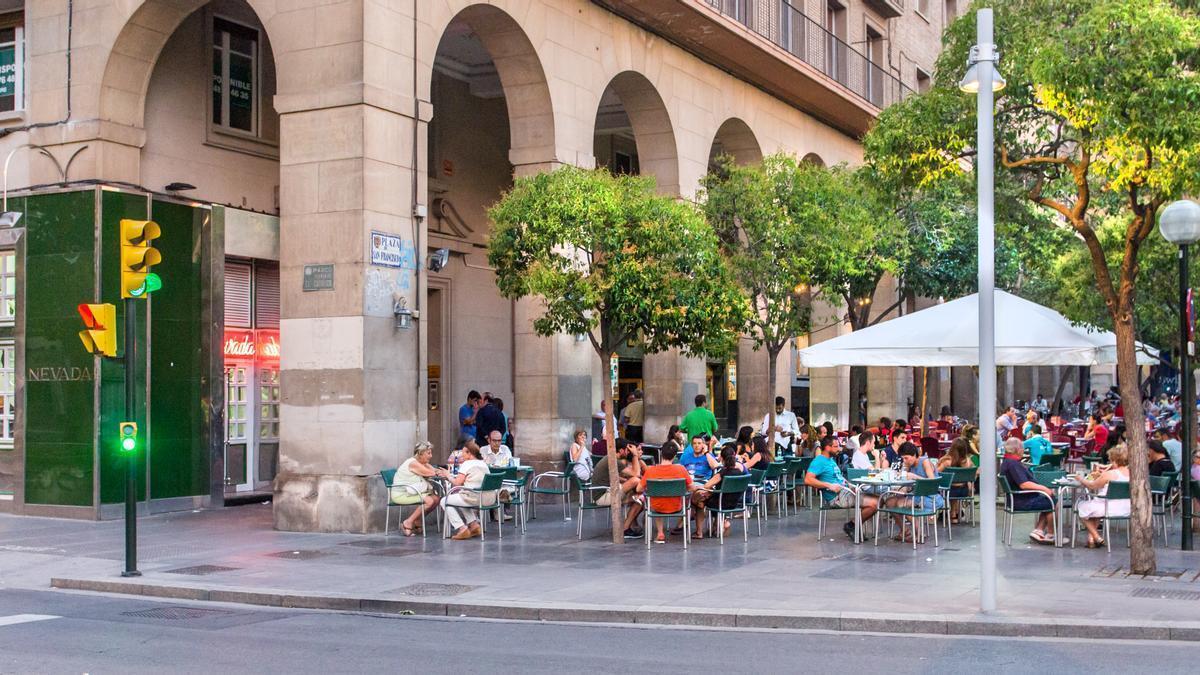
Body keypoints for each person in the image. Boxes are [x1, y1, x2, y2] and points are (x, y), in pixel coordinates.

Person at [804, 435, 879, 539]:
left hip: (845, 491)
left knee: (879, 500)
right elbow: (807, 479)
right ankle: (852, 525)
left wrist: (849, 485)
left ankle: (853, 525)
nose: (838, 449)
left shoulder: (831, 460)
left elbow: (838, 478)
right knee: (875, 503)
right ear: (827, 447)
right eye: (835, 446)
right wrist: (829, 485)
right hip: (837, 497)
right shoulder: (819, 461)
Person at [999, 437, 1056, 544]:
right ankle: (1050, 534)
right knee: (1053, 501)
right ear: (1017, 449)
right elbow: (1024, 484)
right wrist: (1044, 488)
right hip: (1021, 501)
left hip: (1014, 499)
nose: (1024, 450)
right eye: (1022, 448)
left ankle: (1039, 530)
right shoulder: (1013, 464)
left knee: (1048, 500)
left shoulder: (1007, 461)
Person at [1073, 444, 1131, 548]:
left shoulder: (1110, 474)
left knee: (1080, 507)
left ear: (1114, 459)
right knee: (1095, 509)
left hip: (1108, 507)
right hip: (1126, 508)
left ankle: (1096, 537)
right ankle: (1091, 540)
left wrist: (1080, 479)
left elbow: (1092, 485)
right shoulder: (1132, 473)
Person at [883, 443, 944, 540]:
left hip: (930, 496)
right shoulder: (909, 465)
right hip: (916, 495)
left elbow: (932, 483)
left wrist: (915, 477)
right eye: (903, 458)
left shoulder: (925, 462)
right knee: (889, 502)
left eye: (906, 458)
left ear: (914, 455)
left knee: (901, 504)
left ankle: (919, 533)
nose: (904, 460)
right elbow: (907, 484)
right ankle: (905, 531)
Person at [638, 441, 694, 544]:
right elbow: (692, 488)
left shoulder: (651, 470)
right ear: (675, 455)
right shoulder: (681, 469)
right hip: (677, 507)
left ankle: (660, 533)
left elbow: (638, 489)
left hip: (657, 507)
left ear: (661, 454)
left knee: (655, 499)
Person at [390, 441, 448, 536]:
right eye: (428, 453)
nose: (431, 456)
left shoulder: (422, 462)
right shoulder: (413, 463)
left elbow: (434, 471)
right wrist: (444, 473)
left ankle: (417, 520)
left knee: (436, 499)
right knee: (429, 501)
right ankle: (408, 522)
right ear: (420, 453)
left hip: (411, 492)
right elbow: (430, 473)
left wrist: (438, 471)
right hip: (401, 494)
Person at [592, 438, 646, 538]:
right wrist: (634, 455)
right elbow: (636, 475)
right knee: (635, 481)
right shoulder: (613, 460)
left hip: (607, 491)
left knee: (639, 500)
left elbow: (620, 477)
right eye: (627, 449)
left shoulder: (612, 459)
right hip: (602, 496)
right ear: (621, 451)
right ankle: (625, 529)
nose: (628, 451)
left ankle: (626, 528)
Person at [695, 445, 749, 539]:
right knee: (716, 498)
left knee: (700, 501)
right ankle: (719, 524)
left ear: (722, 459)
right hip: (735, 503)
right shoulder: (740, 472)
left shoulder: (722, 473)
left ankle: (699, 532)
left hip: (720, 503)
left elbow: (707, 486)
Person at [443, 442, 492, 540]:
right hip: (488, 498)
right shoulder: (484, 464)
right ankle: (474, 526)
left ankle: (462, 528)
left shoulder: (467, 464)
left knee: (444, 501)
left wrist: (447, 475)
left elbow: (457, 483)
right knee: (461, 500)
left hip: (474, 497)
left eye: (463, 453)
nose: (461, 455)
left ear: (469, 453)